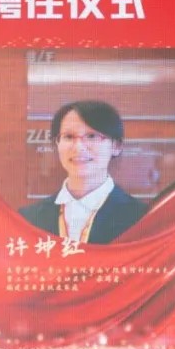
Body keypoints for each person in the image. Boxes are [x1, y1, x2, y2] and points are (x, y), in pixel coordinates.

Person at [19, 100, 148, 244]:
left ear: (116, 146)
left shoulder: (141, 219)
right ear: (57, 144)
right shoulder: (28, 219)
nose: (79, 147)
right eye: (69, 137)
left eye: (92, 136)